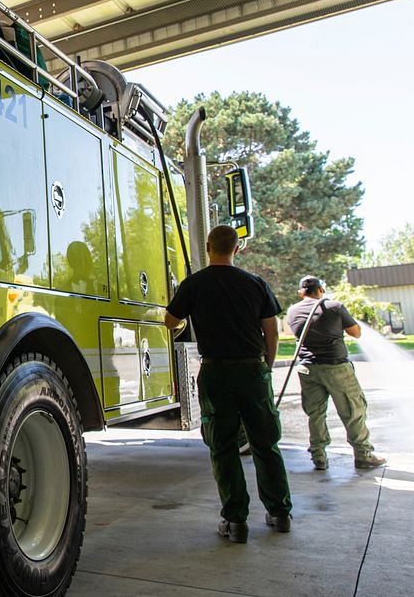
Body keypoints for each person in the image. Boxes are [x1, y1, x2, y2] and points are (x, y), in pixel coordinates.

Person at [164, 225, 292, 544]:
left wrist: (187, 317)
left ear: (208, 246)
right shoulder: (256, 283)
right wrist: (267, 366)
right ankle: (280, 513)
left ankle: (235, 523)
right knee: (265, 443)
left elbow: (170, 321)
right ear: (237, 249)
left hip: (216, 373)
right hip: (253, 371)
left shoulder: (194, 284)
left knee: (223, 447)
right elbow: (271, 332)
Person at [286, 276, 386, 471]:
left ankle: (319, 457)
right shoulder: (334, 306)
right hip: (336, 367)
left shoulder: (292, 311)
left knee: (315, 414)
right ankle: (363, 455)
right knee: (353, 410)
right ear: (321, 290)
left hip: (307, 368)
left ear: (301, 293)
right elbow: (356, 333)